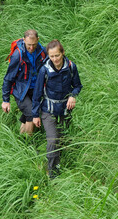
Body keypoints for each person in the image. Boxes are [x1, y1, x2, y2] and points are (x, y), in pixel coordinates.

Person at [32, 39, 83, 179]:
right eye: (51, 56)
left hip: (66, 109)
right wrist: (35, 115)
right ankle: (53, 174)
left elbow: (78, 85)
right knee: (53, 140)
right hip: (48, 110)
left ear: (63, 53)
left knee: (63, 138)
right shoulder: (44, 70)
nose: (55, 59)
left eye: (57, 55)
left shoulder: (71, 67)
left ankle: (63, 164)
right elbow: (37, 93)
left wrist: (73, 95)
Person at [1, 29, 47, 135]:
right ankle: (29, 145)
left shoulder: (42, 52)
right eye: (29, 45)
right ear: (24, 40)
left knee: (28, 115)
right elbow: (8, 78)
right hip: (21, 91)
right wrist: (5, 100)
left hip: (35, 89)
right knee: (32, 114)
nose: (31, 48)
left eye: (34, 44)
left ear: (38, 40)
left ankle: (21, 139)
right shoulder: (18, 55)